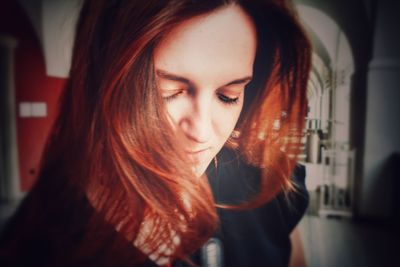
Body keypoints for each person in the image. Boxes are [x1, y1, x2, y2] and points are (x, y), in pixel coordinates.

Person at [0, 0, 311, 266]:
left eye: (228, 95)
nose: (202, 132)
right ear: (103, 78)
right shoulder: (44, 239)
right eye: (168, 92)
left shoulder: (266, 190)